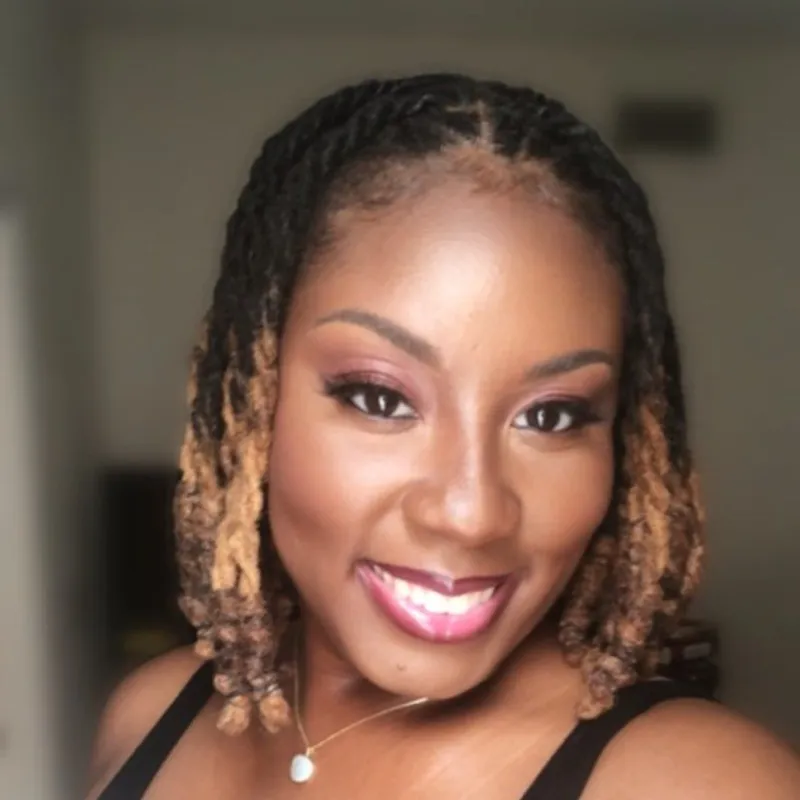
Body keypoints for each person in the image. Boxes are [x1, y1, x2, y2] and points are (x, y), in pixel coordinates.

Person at [86, 73, 800, 799]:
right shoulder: (148, 717)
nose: (472, 512)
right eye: (380, 398)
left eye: (550, 417)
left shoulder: (702, 784)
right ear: (247, 399)